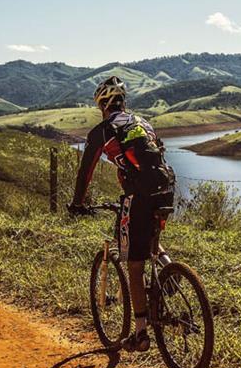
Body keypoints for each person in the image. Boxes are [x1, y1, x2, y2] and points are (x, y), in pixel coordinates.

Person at [69, 76, 175, 352]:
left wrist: (77, 203)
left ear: (102, 106)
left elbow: (85, 173)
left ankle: (139, 334)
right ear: (123, 103)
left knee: (134, 263)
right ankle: (171, 269)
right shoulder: (142, 123)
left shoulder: (102, 131)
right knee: (151, 241)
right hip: (166, 188)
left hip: (138, 196)